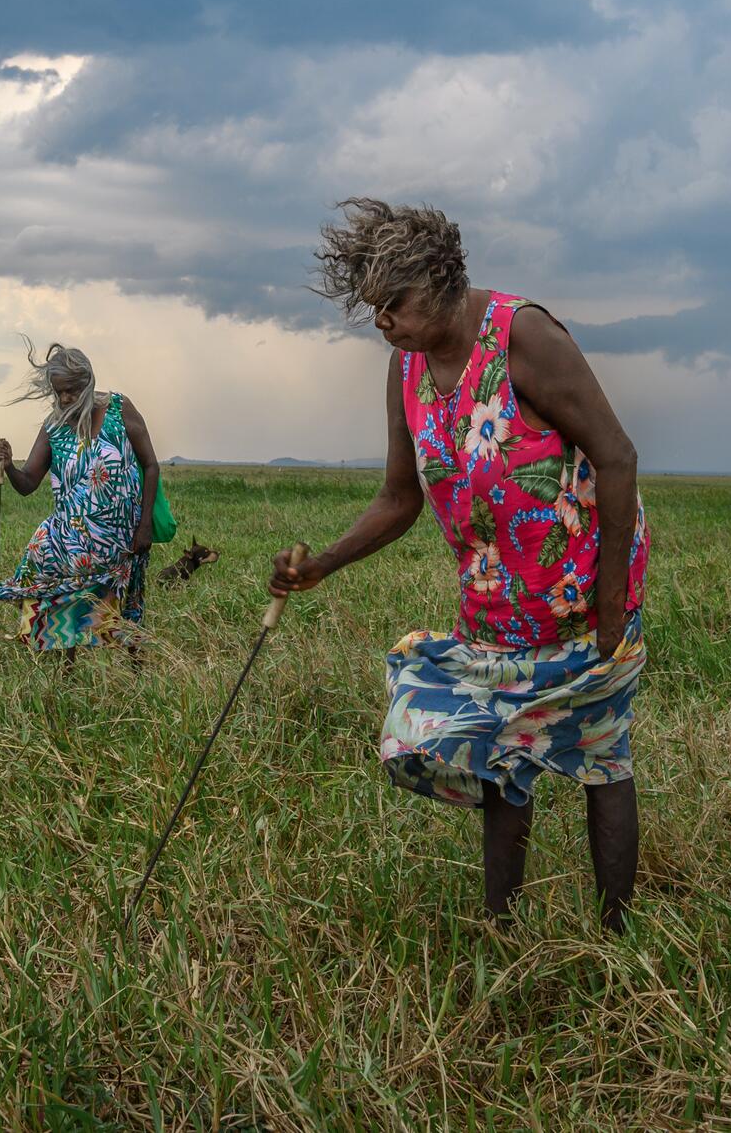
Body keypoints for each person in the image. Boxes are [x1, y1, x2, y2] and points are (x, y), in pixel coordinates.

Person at [269, 198, 649, 930]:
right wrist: (326, 564)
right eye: (374, 308)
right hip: (494, 606)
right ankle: (500, 924)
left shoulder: (522, 336)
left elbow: (617, 456)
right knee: (498, 757)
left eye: (395, 304)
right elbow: (399, 496)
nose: (383, 321)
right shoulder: (405, 368)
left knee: (603, 757)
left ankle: (616, 934)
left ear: (443, 280)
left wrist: (609, 612)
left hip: (583, 596)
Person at [0, 343, 160, 660]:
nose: (65, 399)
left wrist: (145, 525)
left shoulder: (118, 410)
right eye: (59, 392)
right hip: (69, 541)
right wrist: (10, 465)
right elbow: (28, 484)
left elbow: (151, 465)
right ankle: (66, 673)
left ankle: (136, 671)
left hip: (120, 541)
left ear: (88, 383)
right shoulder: (54, 426)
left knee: (125, 610)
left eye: (72, 390)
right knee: (60, 598)